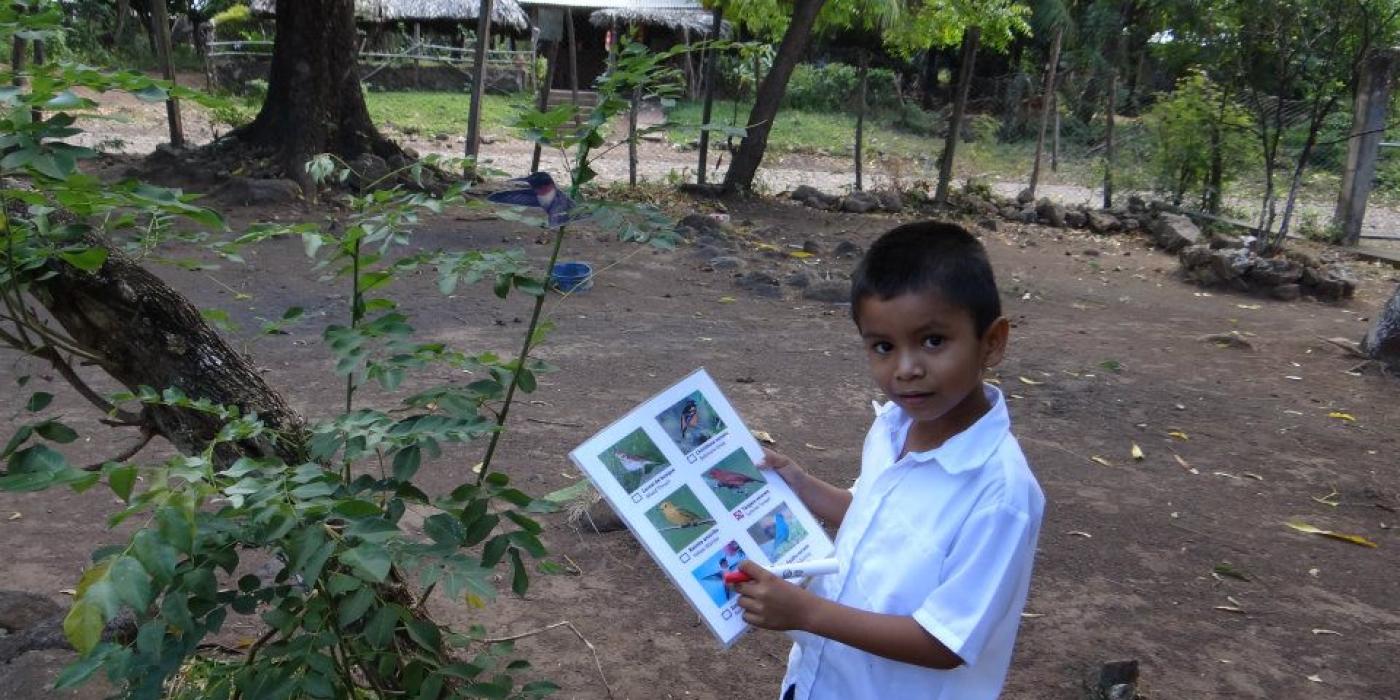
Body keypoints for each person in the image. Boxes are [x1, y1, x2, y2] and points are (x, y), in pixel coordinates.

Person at [734, 221, 1045, 700]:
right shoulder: (893, 427)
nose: (906, 369)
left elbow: (945, 641)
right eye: (883, 347)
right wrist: (802, 484)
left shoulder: (1001, 493)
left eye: (933, 341)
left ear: (993, 342)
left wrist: (806, 613)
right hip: (821, 682)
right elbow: (872, 511)